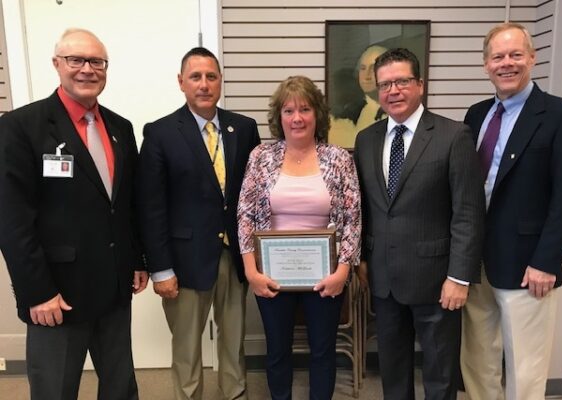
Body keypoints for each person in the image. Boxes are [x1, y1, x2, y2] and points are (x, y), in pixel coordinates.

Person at [0, 28, 148, 400]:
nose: (86, 69)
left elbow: (126, 204)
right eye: (75, 60)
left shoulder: (120, 128)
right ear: (57, 64)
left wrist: (137, 260)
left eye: (96, 61)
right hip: (57, 296)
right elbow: (12, 220)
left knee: (120, 388)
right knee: (55, 391)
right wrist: (37, 292)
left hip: (114, 291)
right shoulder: (21, 128)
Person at [460, 22, 562, 400]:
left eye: (516, 54)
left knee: (526, 365)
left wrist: (547, 261)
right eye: (498, 56)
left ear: (531, 58)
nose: (507, 63)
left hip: (528, 266)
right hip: (476, 263)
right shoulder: (477, 114)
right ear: (486, 64)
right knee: (478, 357)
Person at [353, 48, 485, 400]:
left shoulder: (454, 136)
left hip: (438, 281)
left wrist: (459, 277)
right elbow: (366, 206)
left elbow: (468, 212)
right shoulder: (366, 140)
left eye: (401, 81)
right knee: (393, 371)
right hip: (384, 278)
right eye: (385, 84)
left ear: (420, 85)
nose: (392, 91)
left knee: (440, 375)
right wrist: (363, 259)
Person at [136, 47, 260, 400]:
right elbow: (151, 206)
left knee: (234, 340)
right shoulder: (161, 133)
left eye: (211, 76)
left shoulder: (244, 128)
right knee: (187, 346)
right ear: (181, 83)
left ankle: (235, 393)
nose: (204, 84)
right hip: (184, 260)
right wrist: (159, 269)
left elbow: (252, 197)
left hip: (234, 256)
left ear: (220, 81)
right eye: (195, 77)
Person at [237, 75, 361, 400]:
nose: (297, 118)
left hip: (327, 275)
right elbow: (245, 216)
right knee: (277, 351)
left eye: (304, 109)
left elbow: (352, 219)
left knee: (323, 351)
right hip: (271, 275)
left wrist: (343, 272)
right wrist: (251, 272)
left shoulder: (340, 159)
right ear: (279, 117)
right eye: (289, 110)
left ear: (317, 114)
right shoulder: (260, 157)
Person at [329, 44, 388, 148]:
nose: (367, 76)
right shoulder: (346, 114)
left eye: (373, 68)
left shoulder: (399, 112)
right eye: (363, 68)